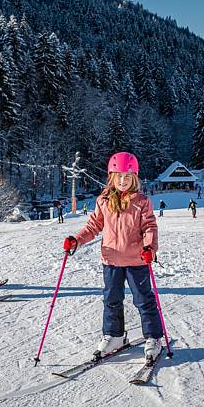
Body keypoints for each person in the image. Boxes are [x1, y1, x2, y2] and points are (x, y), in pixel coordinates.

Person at [63, 152, 163, 362]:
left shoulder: (142, 202)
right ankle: (115, 335)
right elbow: (93, 226)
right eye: (119, 176)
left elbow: (149, 227)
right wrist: (76, 240)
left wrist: (149, 248)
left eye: (127, 177)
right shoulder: (103, 201)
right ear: (111, 177)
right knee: (111, 300)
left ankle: (153, 338)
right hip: (111, 260)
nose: (123, 181)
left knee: (144, 300)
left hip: (137, 260)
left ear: (134, 178)